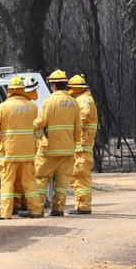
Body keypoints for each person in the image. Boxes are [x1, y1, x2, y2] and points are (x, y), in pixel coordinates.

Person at [0, 76, 42, 218]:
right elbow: (38, 130)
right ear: (23, 90)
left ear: (10, 91)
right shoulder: (33, 107)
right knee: (29, 182)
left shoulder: (3, 107)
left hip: (9, 152)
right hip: (28, 152)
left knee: (7, 183)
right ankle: (36, 210)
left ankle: (5, 214)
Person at [33, 70, 82, 216]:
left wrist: (33, 124)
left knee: (41, 179)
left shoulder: (49, 101)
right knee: (62, 181)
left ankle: (37, 209)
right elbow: (78, 130)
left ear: (53, 86)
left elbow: (40, 122)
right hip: (67, 149)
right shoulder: (74, 103)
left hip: (50, 149)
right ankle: (58, 209)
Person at [67, 75, 98, 214]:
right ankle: (81, 204)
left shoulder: (84, 100)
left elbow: (84, 116)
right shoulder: (84, 98)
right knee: (78, 175)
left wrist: (74, 128)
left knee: (81, 176)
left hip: (83, 144)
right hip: (82, 145)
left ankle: (83, 206)